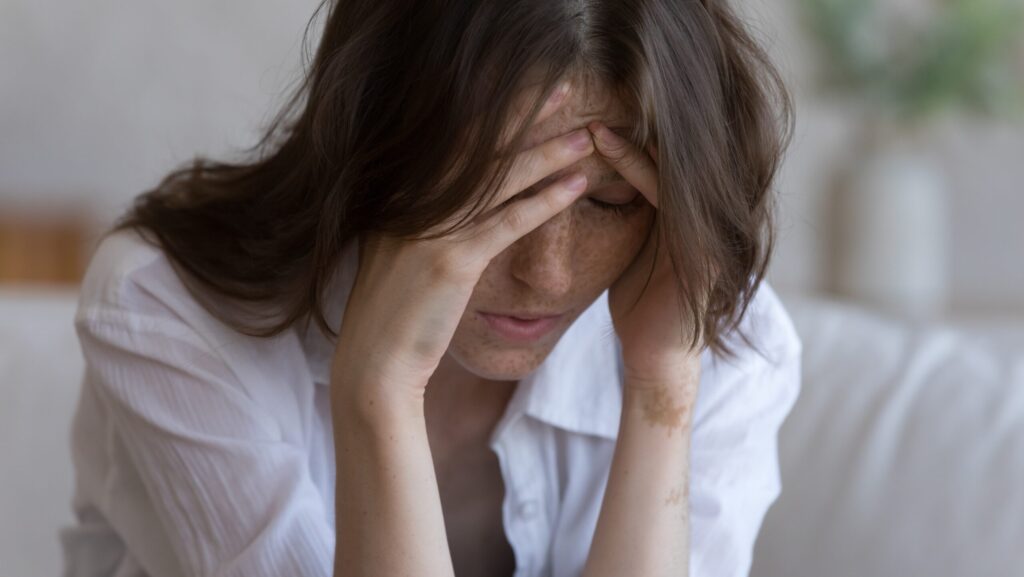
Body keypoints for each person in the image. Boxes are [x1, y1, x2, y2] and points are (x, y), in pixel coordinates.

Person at [60, 1, 801, 576]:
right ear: (374, 146)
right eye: (498, 192)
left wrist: (658, 393)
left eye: (608, 203)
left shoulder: (719, 344)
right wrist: (377, 389)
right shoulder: (167, 313)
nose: (546, 271)